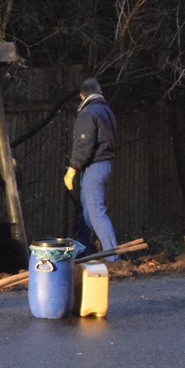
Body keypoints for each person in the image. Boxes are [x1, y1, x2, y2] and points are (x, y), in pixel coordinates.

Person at [64, 77, 119, 260]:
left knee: (96, 212)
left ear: (82, 96)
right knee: (87, 213)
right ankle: (83, 253)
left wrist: (73, 168)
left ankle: (112, 257)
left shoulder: (88, 113)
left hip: (94, 167)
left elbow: (84, 144)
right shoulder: (106, 111)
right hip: (104, 165)